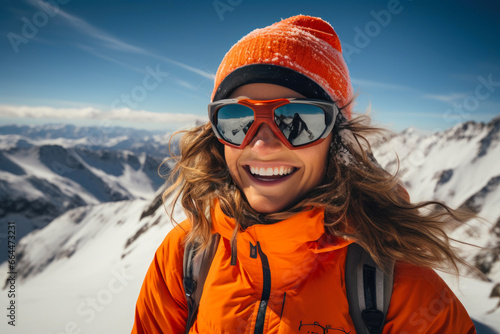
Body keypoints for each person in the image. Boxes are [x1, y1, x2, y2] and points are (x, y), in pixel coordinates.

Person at [132, 15, 476, 333]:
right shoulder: (186, 256)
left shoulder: (396, 285)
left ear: (336, 140)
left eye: (297, 121)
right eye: (238, 121)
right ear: (216, 135)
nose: (263, 145)